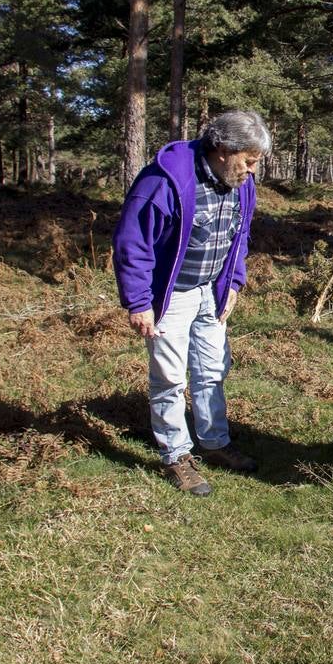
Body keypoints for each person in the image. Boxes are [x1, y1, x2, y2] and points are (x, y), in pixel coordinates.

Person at [112, 109, 271, 496]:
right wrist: (138, 302)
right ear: (221, 149)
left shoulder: (240, 182)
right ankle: (176, 456)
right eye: (248, 161)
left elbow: (240, 234)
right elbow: (132, 243)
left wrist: (233, 281)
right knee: (168, 377)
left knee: (212, 369)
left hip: (212, 293)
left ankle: (214, 443)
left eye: (256, 162)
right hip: (171, 296)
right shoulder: (164, 180)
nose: (252, 170)